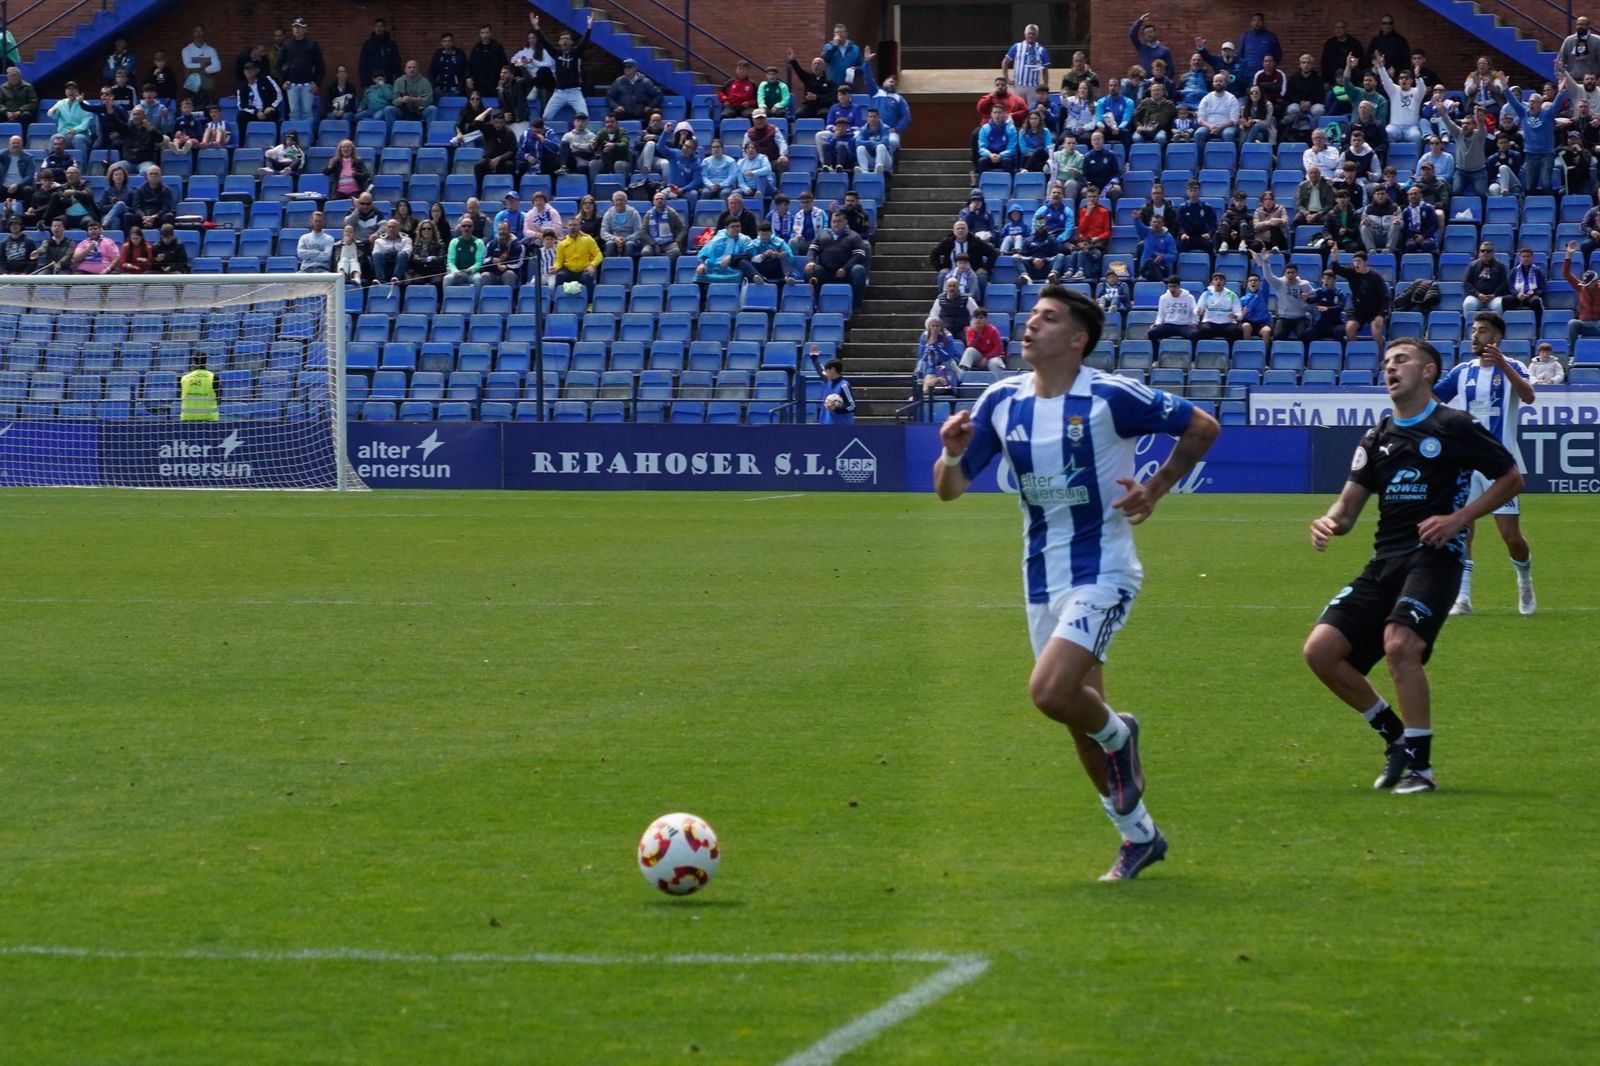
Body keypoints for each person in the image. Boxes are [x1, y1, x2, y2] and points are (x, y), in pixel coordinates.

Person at [934, 283, 1217, 880]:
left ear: (1078, 339)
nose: (1031, 325)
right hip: (1040, 577)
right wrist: (954, 455)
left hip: (1104, 569)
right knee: (1075, 713)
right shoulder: (999, 401)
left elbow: (1202, 426)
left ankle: (1124, 734)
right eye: (1032, 314)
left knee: (1050, 693)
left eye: (1047, 318)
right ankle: (1138, 837)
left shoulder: (1111, 396)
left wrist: (1156, 487)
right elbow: (948, 490)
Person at [1304, 337, 1522, 796]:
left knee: (1399, 644)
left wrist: (1460, 519)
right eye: (1386, 362)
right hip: (1386, 561)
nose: (1390, 368)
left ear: (1428, 371)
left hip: (1435, 558)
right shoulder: (1376, 437)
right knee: (1320, 652)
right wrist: (1326, 522)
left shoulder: (1454, 425)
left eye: (1401, 360)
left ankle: (1421, 770)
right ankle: (1397, 738)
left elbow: (1511, 478)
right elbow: (1346, 511)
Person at [1432, 312, 1538, 616]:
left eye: (1483, 330)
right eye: (1474, 330)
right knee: (1463, 528)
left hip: (1501, 465)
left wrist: (1504, 365)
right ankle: (1462, 598)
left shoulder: (1514, 367)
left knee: (1511, 537)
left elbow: (1529, 396)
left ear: (1497, 337)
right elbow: (1431, 397)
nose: (1475, 335)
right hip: (1465, 463)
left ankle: (1524, 579)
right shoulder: (1462, 371)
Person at [534, 12, 592, 125]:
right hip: (559, 92)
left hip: (575, 92)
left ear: (571, 42)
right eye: (562, 39)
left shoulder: (576, 53)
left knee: (585, 116)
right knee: (546, 116)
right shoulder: (556, 53)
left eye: (567, 39)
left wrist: (589, 28)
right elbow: (545, 42)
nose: (565, 41)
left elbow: (584, 43)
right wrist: (537, 28)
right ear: (559, 42)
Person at [806, 211, 871, 306]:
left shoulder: (854, 236)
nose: (837, 224)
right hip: (826, 270)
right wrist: (811, 262)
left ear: (846, 222)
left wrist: (845, 268)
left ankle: (855, 306)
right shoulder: (822, 234)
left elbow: (859, 255)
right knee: (810, 270)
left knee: (859, 270)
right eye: (834, 221)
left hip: (846, 272)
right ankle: (814, 304)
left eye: (840, 221)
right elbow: (812, 250)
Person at [1254, 249, 1313, 340]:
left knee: (1304, 335)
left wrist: (1308, 298)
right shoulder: (1280, 283)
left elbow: (1314, 296)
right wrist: (1265, 262)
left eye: (1292, 272)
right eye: (1288, 273)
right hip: (1284, 318)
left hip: (1300, 317)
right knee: (1277, 336)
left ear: (1297, 273)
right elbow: (1268, 276)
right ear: (1285, 273)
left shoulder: (1305, 284)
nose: (1290, 275)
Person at [277, 17, 325, 123]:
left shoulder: (312, 44)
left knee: (307, 113)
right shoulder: (287, 45)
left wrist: (317, 83)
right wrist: (282, 81)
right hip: (291, 85)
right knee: (293, 113)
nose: (297, 30)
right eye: (295, 27)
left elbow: (320, 64)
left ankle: (307, 138)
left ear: (305, 29)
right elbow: (279, 64)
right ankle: (295, 138)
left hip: (308, 85)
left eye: (300, 27)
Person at [914, 316, 961, 399]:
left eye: (937, 326)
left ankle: (926, 389)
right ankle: (930, 384)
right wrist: (928, 347)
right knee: (922, 364)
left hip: (946, 364)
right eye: (933, 326)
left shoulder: (947, 336)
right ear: (929, 327)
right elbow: (922, 356)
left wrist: (936, 346)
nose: (935, 328)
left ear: (941, 327)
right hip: (931, 366)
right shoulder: (924, 336)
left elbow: (948, 356)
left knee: (943, 366)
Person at [181, 25, 222, 106]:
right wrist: (205, 65)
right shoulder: (186, 50)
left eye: (201, 31)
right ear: (193, 33)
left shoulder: (211, 50)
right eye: (196, 31)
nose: (198, 34)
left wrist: (203, 70)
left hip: (208, 89)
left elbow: (217, 67)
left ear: (204, 33)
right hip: (192, 89)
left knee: (208, 113)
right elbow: (188, 65)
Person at [1148, 275, 1197, 341]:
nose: (1172, 289)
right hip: (1168, 324)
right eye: (1170, 286)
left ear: (1179, 286)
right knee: (1152, 333)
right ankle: (1156, 350)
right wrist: (1157, 323)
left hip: (1184, 325)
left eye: (1174, 286)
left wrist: (1194, 323)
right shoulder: (1163, 298)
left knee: (1194, 334)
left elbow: (1194, 312)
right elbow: (1161, 313)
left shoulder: (1190, 297)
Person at [1003, 24, 1051, 91]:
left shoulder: (1042, 50)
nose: (1031, 35)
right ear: (1025, 34)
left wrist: (1045, 85)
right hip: (1018, 85)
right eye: (1029, 33)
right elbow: (1005, 62)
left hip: (1034, 87)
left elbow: (1045, 70)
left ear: (1036, 36)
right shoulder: (1017, 47)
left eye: (1033, 34)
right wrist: (1006, 78)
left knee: (1033, 102)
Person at [359, 18, 403, 89]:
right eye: (376, 26)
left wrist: (397, 79)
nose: (378, 28)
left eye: (381, 26)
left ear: (384, 28)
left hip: (388, 79)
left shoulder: (391, 44)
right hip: (372, 80)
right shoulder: (368, 44)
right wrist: (364, 82)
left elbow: (397, 62)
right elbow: (363, 64)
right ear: (373, 28)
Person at [962, 307, 1006, 373]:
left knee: (994, 363)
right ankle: (962, 374)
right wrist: (976, 334)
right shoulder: (970, 330)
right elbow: (970, 345)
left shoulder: (993, 330)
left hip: (992, 357)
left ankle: (999, 381)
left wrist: (986, 357)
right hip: (978, 356)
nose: (978, 320)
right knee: (969, 350)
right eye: (976, 318)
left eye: (981, 317)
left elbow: (998, 348)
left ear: (985, 320)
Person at [179, 353, 219, 422]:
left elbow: (181, 396)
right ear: (206, 362)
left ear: (193, 362)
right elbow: (219, 399)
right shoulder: (213, 377)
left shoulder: (184, 378)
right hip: (208, 419)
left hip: (187, 418)